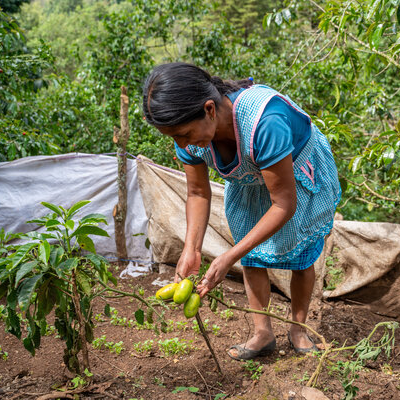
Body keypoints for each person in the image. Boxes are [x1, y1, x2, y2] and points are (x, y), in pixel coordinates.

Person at [142, 62, 341, 360]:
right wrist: (191, 249)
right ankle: (263, 333)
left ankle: (299, 329)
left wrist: (227, 256)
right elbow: (197, 193)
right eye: (174, 137)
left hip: (296, 176)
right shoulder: (191, 138)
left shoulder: (265, 122)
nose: (182, 145)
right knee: (251, 256)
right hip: (248, 179)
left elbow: (284, 204)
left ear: (209, 110)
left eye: (184, 134)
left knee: (301, 256)